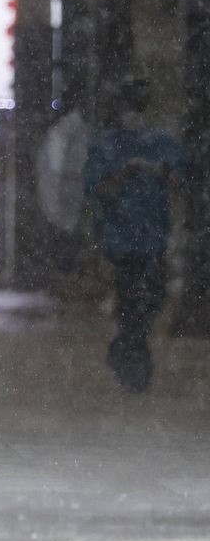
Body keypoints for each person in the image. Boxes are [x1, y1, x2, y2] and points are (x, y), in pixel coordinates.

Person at [84, 77, 181, 393]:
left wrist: (153, 171)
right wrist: (126, 173)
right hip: (122, 236)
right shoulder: (107, 144)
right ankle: (134, 363)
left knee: (150, 297)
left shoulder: (159, 142)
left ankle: (127, 349)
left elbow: (177, 178)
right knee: (132, 299)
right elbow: (96, 188)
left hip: (152, 233)